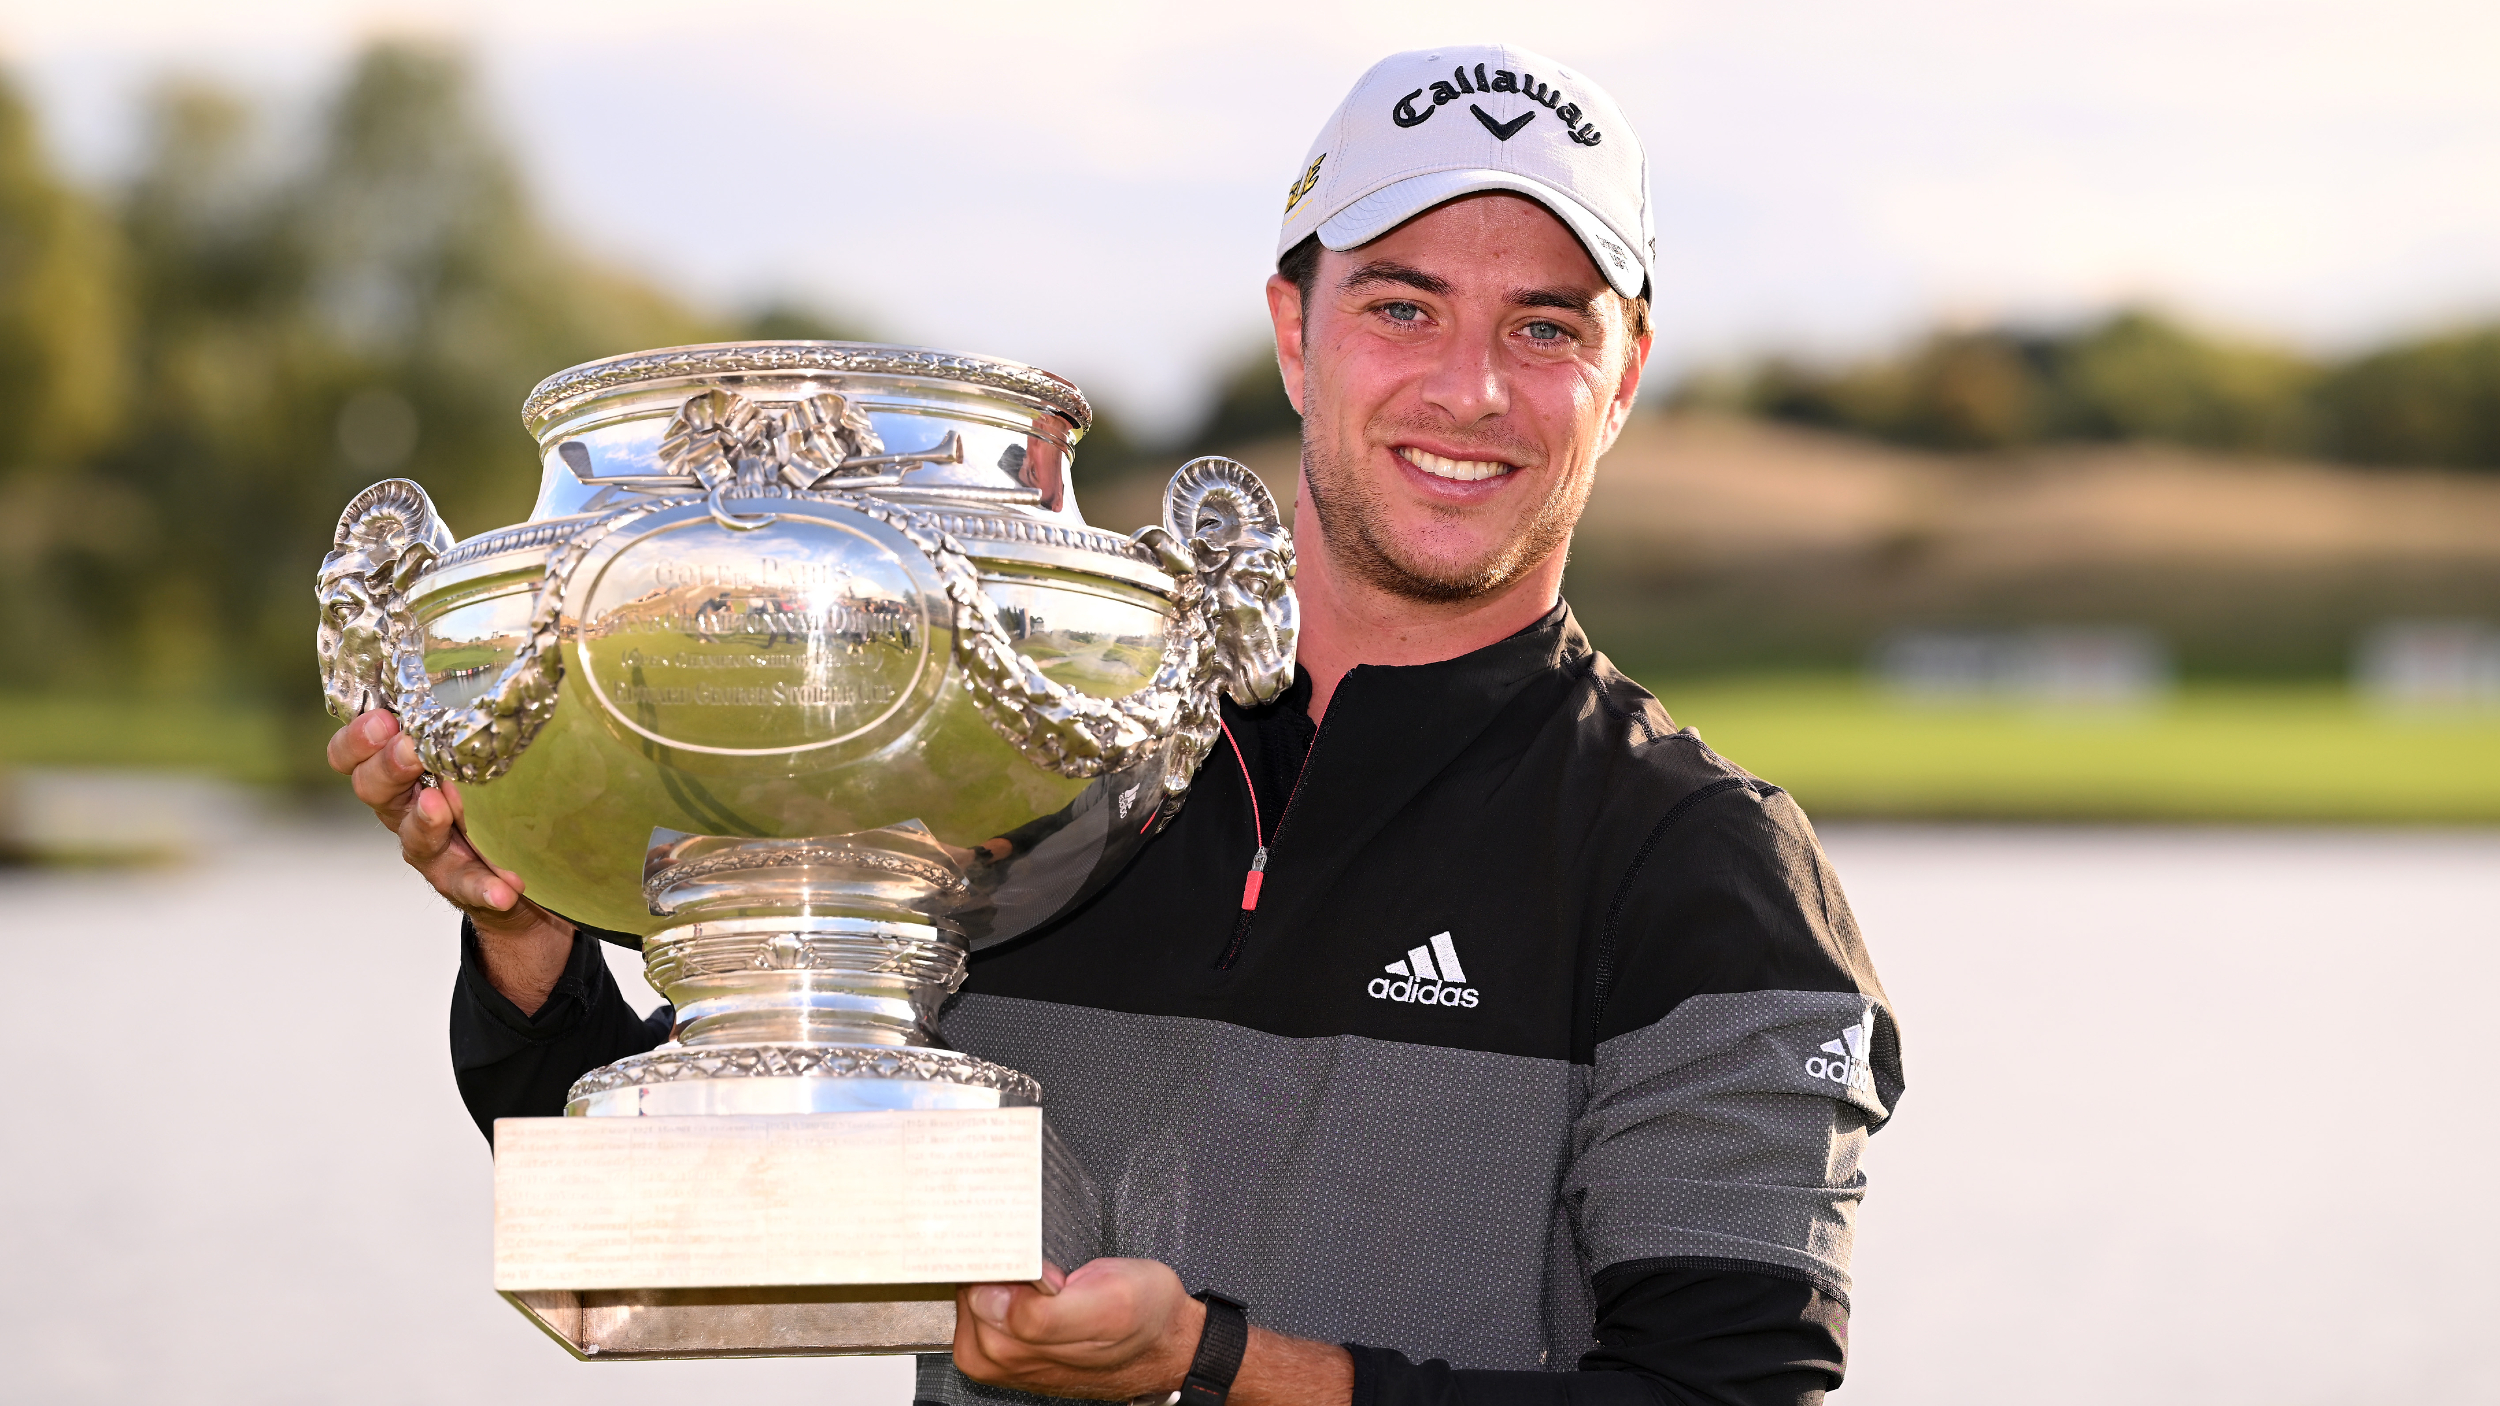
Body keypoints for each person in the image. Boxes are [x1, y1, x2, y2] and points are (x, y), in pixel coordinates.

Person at [329, 43, 1902, 1406]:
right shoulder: (1031, 744)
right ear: (1295, 330)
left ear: (1625, 377)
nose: (1472, 386)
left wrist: (1210, 1363)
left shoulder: (1707, 866)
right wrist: (531, 936)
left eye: (1548, 328)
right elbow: (711, 1203)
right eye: (1404, 305)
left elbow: (1724, 1385)